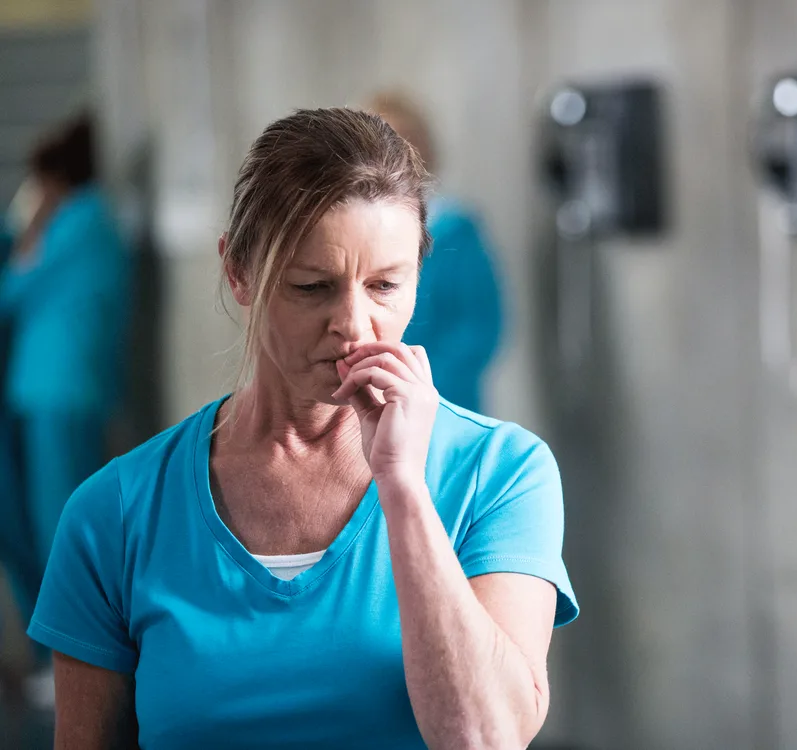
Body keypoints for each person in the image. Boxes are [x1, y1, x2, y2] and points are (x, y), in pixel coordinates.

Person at [28, 108, 577, 749]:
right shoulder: (114, 514)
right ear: (238, 271)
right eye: (313, 287)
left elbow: (485, 738)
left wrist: (402, 489)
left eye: (385, 285)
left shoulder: (501, 473)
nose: (353, 323)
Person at [0, 113, 130, 702]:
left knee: (59, 526)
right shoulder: (93, 222)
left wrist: (26, 236)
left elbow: (13, 292)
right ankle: (66, 658)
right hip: (61, 392)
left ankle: (70, 664)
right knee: (57, 522)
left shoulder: (75, 221)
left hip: (59, 394)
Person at [367, 92, 503, 413]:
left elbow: (481, 326)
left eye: (404, 142)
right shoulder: (354, 235)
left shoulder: (455, 230)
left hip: (444, 401)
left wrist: (419, 386)